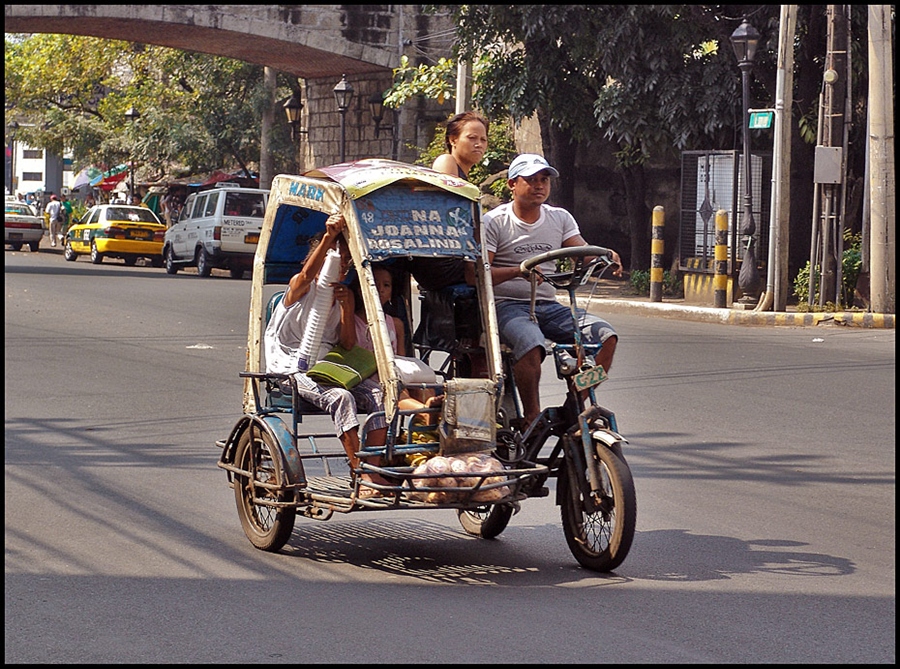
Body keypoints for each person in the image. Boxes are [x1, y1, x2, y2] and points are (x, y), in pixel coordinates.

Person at [482, 153, 623, 427]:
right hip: (507, 306)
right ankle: (532, 416)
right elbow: (479, 273)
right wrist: (518, 271)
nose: (539, 186)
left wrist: (604, 256)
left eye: (543, 180)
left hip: (549, 306)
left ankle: (575, 404)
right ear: (512, 184)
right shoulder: (494, 221)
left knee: (606, 337)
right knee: (532, 343)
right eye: (531, 180)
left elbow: (580, 250)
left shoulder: (559, 217)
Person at [264, 213, 392, 496]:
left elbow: (346, 345)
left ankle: (371, 468)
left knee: (380, 394)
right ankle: (359, 472)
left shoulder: (339, 301)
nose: (341, 269)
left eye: (346, 265)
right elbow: (308, 274)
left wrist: (347, 309)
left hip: (329, 369)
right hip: (291, 370)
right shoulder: (301, 288)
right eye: (337, 262)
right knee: (341, 398)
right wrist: (329, 237)